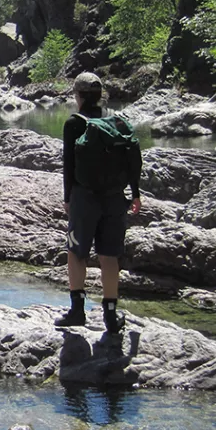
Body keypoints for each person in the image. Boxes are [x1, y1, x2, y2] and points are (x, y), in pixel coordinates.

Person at [54, 72, 142, 333]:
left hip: (84, 197)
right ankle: (111, 316)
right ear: (101, 95)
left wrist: (68, 198)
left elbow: (68, 166)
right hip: (115, 197)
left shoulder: (74, 123)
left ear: (79, 96)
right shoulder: (117, 121)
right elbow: (133, 159)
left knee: (76, 252)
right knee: (109, 256)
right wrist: (135, 193)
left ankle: (77, 311)